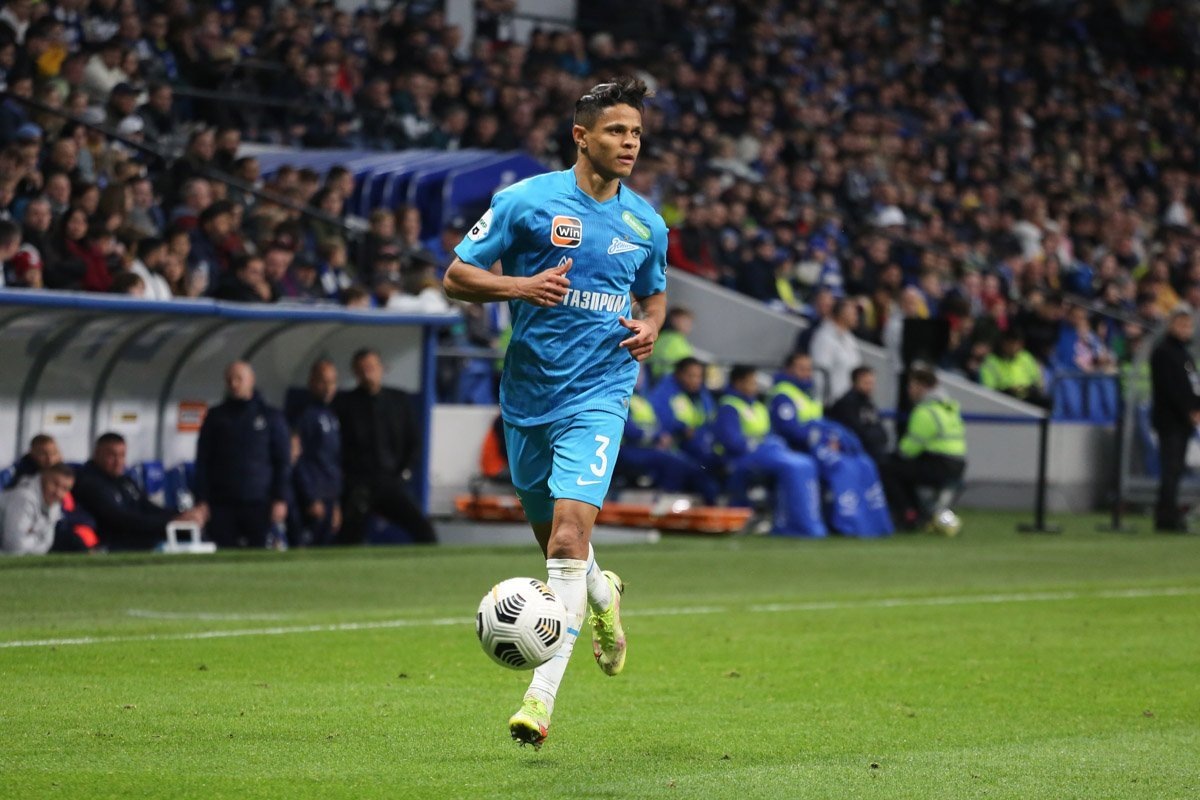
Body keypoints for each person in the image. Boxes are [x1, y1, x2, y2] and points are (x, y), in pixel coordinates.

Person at [443, 78, 667, 747]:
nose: (629, 143)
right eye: (616, 131)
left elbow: (654, 296)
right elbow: (456, 276)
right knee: (560, 550)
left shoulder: (646, 223)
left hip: (600, 394)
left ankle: (537, 704)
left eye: (636, 132)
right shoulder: (525, 202)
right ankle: (602, 595)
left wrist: (652, 326)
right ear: (581, 136)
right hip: (528, 398)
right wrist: (519, 285)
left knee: (568, 542)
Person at [333, 348, 436, 546]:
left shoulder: (398, 401)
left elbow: (413, 442)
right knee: (349, 538)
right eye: (362, 369)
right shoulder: (345, 404)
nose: (367, 374)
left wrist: (405, 472)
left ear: (382, 369)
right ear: (355, 372)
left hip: (390, 481)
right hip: (359, 485)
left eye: (371, 368)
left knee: (424, 530)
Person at [713, 365, 826, 537]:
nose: (755, 387)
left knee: (805, 463)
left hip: (764, 454)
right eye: (751, 382)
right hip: (739, 460)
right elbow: (732, 443)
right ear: (738, 383)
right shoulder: (728, 407)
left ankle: (802, 521)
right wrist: (759, 444)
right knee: (792, 467)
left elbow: (770, 433)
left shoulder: (758, 406)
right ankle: (790, 524)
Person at [193, 362, 291, 548]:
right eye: (230, 379)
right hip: (222, 503)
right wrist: (201, 499)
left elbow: (282, 462)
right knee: (224, 553)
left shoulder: (271, 417)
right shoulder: (216, 417)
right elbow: (203, 461)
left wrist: (281, 498)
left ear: (251, 380)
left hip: (259, 503)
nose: (234, 384)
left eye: (239, 379)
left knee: (259, 554)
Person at [72, 432, 205, 550]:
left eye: (122, 455)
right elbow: (121, 520)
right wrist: (169, 522)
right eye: (112, 455)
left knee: (195, 532)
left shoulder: (124, 481)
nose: (118, 461)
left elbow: (146, 506)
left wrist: (181, 515)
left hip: (136, 534)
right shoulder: (89, 483)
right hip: (113, 542)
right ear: (97, 454)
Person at [881, 366, 967, 530]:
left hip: (940, 464)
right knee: (906, 470)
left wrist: (894, 453)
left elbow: (908, 450)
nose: (909, 391)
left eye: (911, 386)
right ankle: (926, 514)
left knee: (889, 469)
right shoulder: (949, 407)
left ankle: (908, 514)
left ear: (921, 386)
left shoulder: (925, 411)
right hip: (957, 464)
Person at [1149, 309, 1200, 532]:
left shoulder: (1185, 354)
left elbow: (1193, 385)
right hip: (1170, 420)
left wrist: (1197, 408)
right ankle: (1166, 516)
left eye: (1188, 326)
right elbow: (1169, 388)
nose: (1186, 330)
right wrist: (1188, 410)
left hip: (1184, 420)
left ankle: (1169, 514)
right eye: (1182, 325)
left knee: (1176, 468)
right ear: (1171, 325)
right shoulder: (1163, 352)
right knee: (1170, 468)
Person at [289, 359, 343, 546]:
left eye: (332, 382)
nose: (328, 388)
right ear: (312, 382)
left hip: (328, 497)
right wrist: (310, 497)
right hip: (310, 499)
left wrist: (335, 502)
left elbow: (332, 461)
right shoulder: (303, 415)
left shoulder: (331, 415)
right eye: (323, 381)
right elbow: (298, 459)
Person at [649, 356, 718, 467]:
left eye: (699, 376)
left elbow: (711, 418)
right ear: (678, 374)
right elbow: (659, 419)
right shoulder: (664, 392)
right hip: (674, 445)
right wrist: (681, 429)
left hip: (698, 443)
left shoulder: (702, 394)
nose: (696, 381)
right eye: (691, 376)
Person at [1, 464, 74, 556]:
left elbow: (47, 543)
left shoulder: (54, 504)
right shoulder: (24, 497)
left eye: (65, 489)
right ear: (44, 477)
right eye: (55, 484)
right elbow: (13, 546)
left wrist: (32, 534)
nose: (58, 492)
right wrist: (38, 537)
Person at [827, 366, 890, 466]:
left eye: (872, 383)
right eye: (866, 383)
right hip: (853, 453)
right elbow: (859, 433)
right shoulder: (846, 403)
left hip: (872, 452)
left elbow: (883, 433)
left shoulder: (868, 403)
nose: (870, 387)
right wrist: (874, 436)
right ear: (855, 382)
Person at [809, 297, 863, 402]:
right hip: (830, 403)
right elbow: (819, 373)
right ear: (841, 313)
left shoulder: (851, 340)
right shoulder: (824, 337)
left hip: (846, 403)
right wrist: (825, 402)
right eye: (853, 312)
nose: (856, 316)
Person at [979, 330, 1048, 407]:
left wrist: (1028, 389)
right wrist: (1009, 391)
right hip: (1003, 402)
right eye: (1012, 344)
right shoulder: (991, 361)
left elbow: (1037, 382)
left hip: (1027, 400)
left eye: (1019, 344)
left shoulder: (1025, 357)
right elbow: (988, 390)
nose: (1016, 347)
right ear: (1004, 343)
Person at [646, 306, 695, 383]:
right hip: (665, 379)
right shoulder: (671, 339)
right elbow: (687, 363)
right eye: (685, 321)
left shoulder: (673, 338)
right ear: (674, 320)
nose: (689, 325)